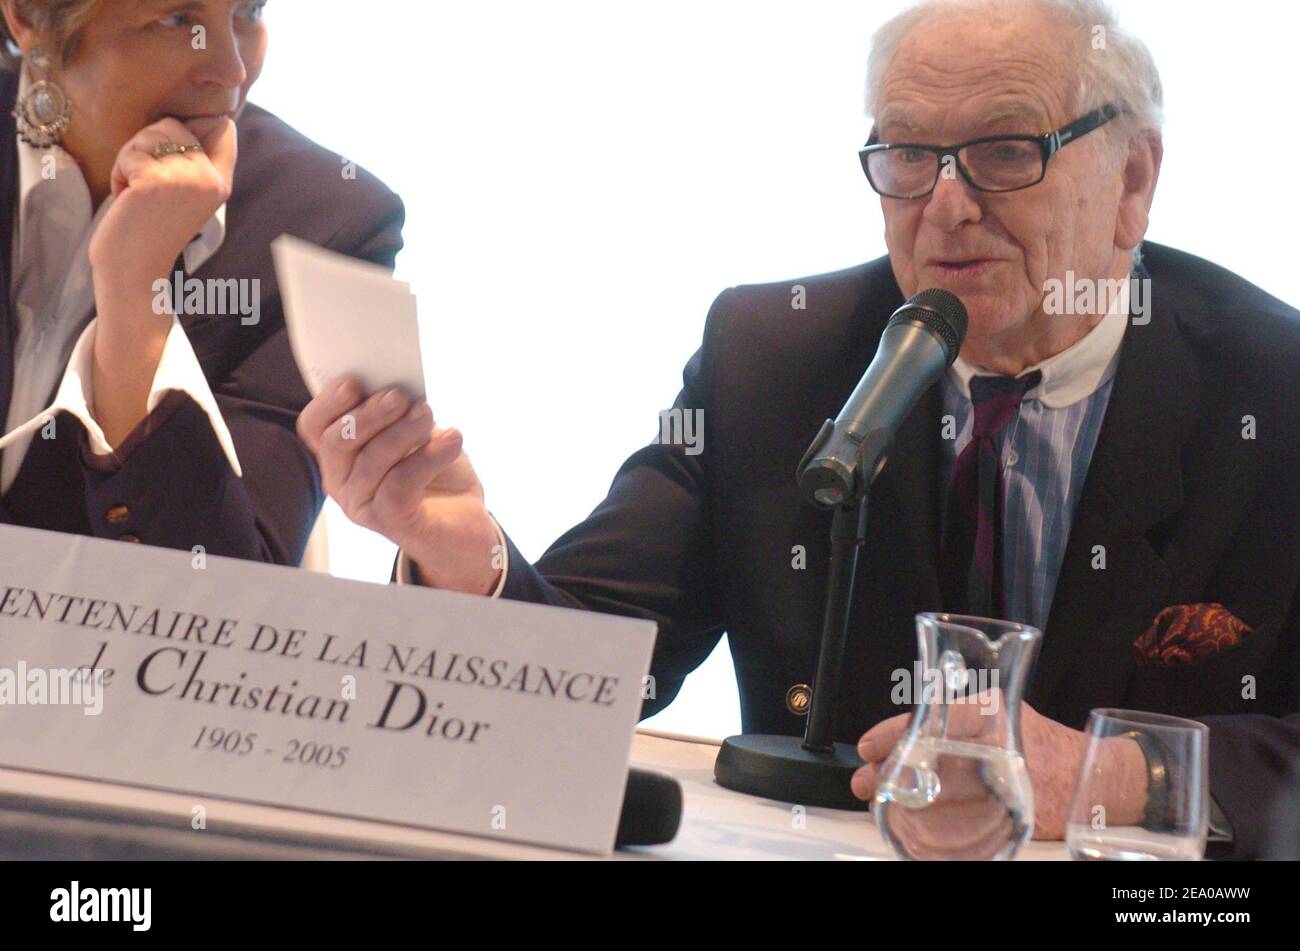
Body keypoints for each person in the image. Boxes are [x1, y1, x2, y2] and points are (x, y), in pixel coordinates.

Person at [297, 0, 1299, 858]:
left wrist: (1117, 774)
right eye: (909, 155)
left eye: (1002, 151)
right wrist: (466, 565)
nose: (946, 205)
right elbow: (595, 670)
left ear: (1132, 180)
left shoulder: (1273, 390)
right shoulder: (772, 359)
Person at [0, 0, 402, 564]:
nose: (231, 70)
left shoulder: (325, 223)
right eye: (176, 20)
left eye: (250, 10)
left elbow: (227, 585)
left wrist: (136, 288)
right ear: (28, 18)